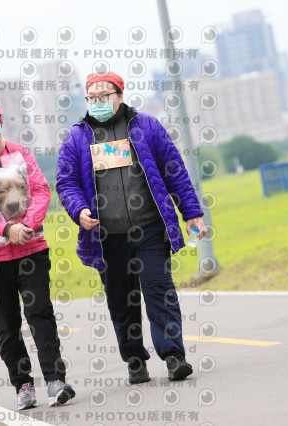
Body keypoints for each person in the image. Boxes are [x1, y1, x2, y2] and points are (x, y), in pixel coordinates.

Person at [56, 71, 207, 384]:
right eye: (92, 97)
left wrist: (191, 213)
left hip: (149, 228)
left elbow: (174, 170)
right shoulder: (77, 137)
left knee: (159, 290)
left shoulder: (146, 126)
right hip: (107, 237)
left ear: (120, 96)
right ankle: (135, 361)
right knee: (121, 301)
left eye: (104, 96)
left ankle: (174, 356)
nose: (98, 102)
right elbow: (66, 181)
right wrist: (79, 209)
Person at [0, 99, 75, 409]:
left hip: (30, 248)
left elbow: (41, 190)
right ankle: (23, 386)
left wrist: (26, 226)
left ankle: (55, 381)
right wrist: (6, 229)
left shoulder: (20, 153)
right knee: (7, 326)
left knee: (40, 314)